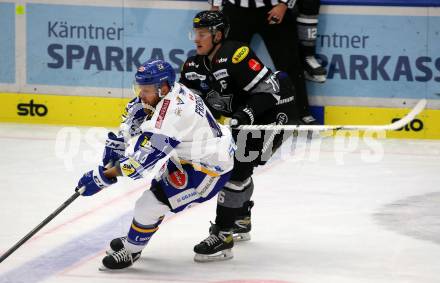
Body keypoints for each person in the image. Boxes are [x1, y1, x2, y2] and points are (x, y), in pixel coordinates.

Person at [75, 59, 235, 269]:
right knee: (158, 195)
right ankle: (136, 238)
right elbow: (137, 109)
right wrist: (120, 140)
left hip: (209, 169)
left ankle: (132, 251)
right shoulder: (169, 93)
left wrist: (104, 177)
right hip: (192, 156)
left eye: (146, 90)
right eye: (140, 88)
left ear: (163, 88)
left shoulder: (173, 117)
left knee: (149, 203)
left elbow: (139, 166)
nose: (141, 94)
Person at [179, 10, 297, 262]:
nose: (196, 39)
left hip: (274, 113)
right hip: (243, 120)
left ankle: (223, 235)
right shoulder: (192, 65)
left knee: (239, 169)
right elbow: (188, 104)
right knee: (238, 166)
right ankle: (240, 217)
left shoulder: (236, 54)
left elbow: (270, 91)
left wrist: (245, 115)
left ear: (218, 35)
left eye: (202, 34)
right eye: (195, 33)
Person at [208, 0, 324, 124]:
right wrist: (215, 6)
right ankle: (214, 114)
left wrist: (283, 4)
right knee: (223, 63)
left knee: (290, 64)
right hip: (236, 9)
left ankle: (302, 113)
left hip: (274, 7)